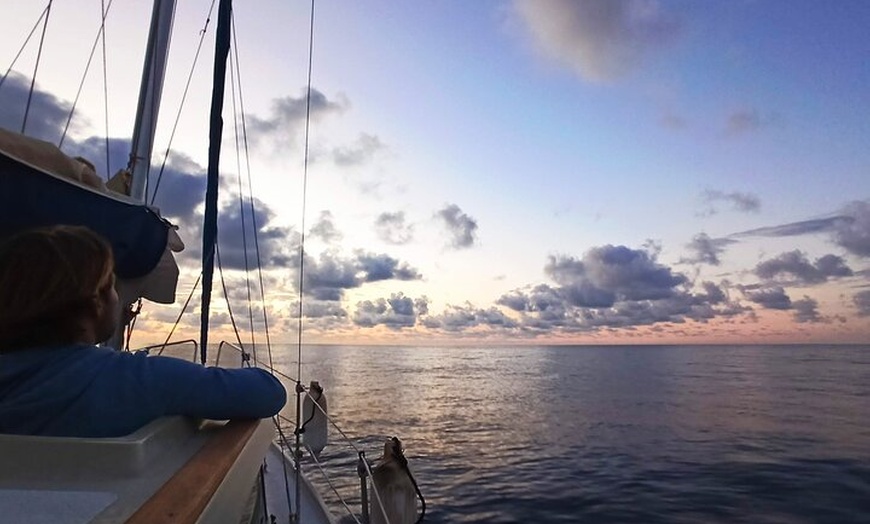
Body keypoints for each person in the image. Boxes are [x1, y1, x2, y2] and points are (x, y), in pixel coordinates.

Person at [0, 225, 286, 438]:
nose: (118, 296)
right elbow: (268, 392)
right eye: (112, 284)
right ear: (95, 302)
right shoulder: (131, 380)